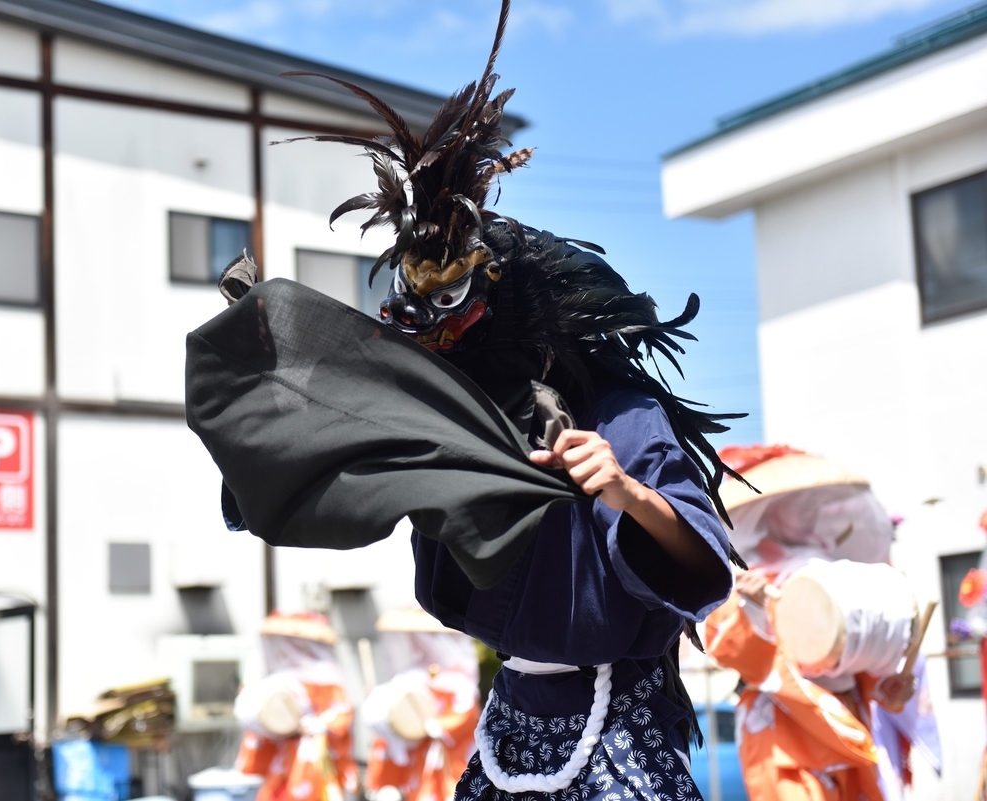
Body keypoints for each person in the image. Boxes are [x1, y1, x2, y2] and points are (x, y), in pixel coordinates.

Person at [190, 1, 746, 798]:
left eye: (447, 300)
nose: (424, 324)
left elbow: (703, 558)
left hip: (617, 716)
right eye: (412, 305)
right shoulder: (444, 413)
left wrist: (624, 488)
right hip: (510, 711)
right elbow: (344, 438)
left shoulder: (617, 411)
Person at [706, 445, 939, 801]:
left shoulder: (832, 565)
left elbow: (860, 643)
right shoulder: (742, 572)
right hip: (783, 714)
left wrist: (884, 687)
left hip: (847, 708)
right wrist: (751, 608)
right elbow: (727, 641)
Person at [234, 612, 359, 801]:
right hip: (282, 762)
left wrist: (317, 725)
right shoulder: (274, 682)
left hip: (315, 760)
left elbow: (341, 715)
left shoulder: (327, 681)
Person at [363, 608, 481, 801]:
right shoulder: (413, 675)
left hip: (447, 753)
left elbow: (465, 715)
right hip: (419, 752)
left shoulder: (460, 680)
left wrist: (437, 726)